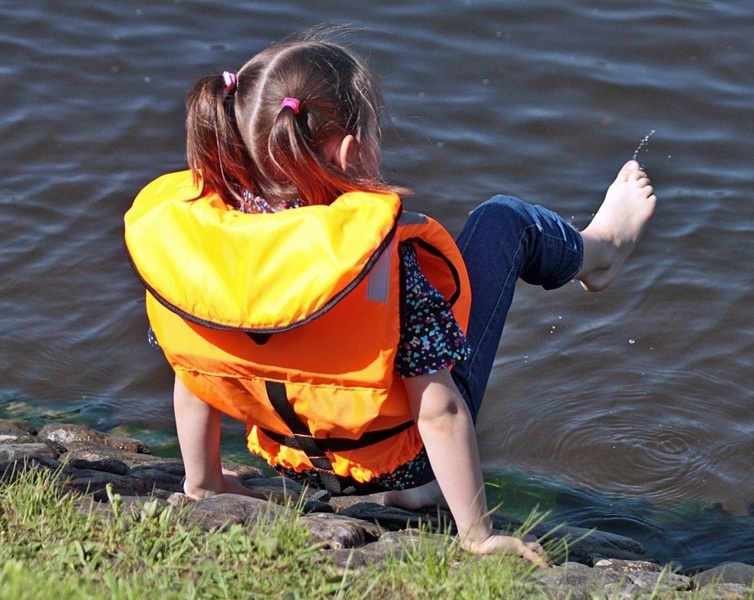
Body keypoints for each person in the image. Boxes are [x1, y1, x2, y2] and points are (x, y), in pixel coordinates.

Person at [124, 32, 655, 568]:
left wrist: (205, 480)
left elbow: (191, 368)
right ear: (351, 152)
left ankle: (405, 492)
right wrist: (478, 536)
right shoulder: (379, 266)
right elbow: (440, 410)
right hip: (396, 458)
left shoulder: (208, 247)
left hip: (296, 457)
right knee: (503, 221)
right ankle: (600, 252)